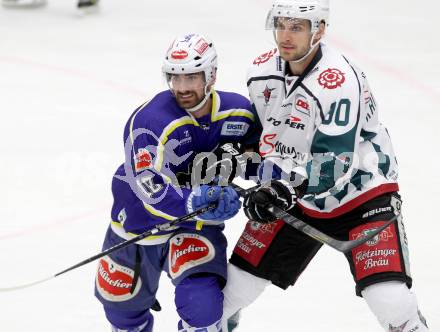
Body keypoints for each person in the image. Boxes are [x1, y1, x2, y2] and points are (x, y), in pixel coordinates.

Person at [221, 1, 430, 331]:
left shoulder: (338, 82)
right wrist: (235, 156)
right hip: (297, 195)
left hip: (362, 195)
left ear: (318, 30)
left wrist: (280, 189)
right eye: (281, 25)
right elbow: (267, 135)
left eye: (297, 27)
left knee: (391, 303)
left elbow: (335, 164)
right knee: (227, 294)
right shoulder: (260, 72)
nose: (285, 36)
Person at [94, 33, 257, 332]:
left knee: (203, 306)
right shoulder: (150, 121)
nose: (181, 88)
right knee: (123, 314)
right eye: (175, 78)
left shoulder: (238, 113)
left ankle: (219, 312)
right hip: (139, 226)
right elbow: (147, 185)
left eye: (192, 78)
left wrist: (266, 186)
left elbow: (259, 156)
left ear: (211, 75)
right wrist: (195, 201)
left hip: (193, 225)